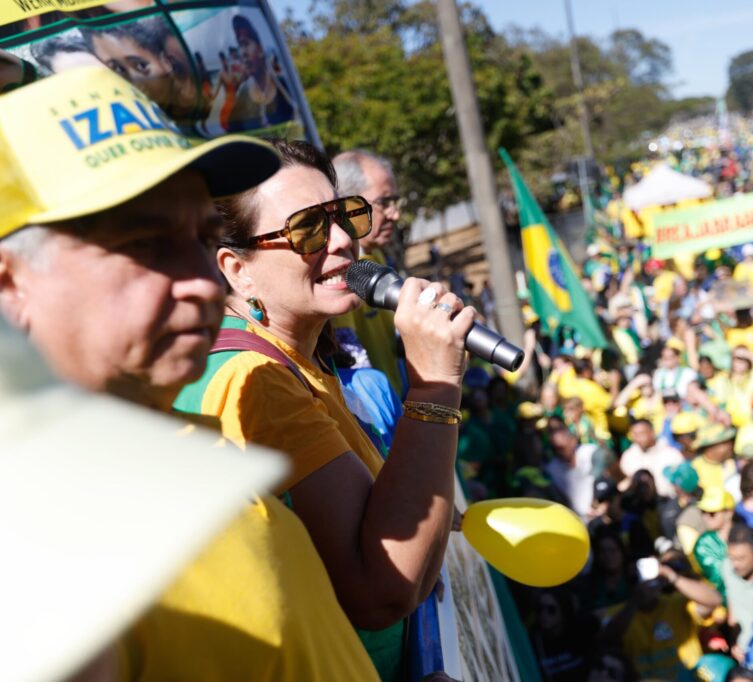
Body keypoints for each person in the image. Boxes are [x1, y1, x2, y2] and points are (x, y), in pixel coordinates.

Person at [0, 67, 378, 678]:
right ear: (9, 285)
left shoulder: (174, 441)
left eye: (202, 239)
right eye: (148, 244)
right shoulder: (34, 543)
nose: (204, 280)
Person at [173, 138, 473, 680]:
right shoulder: (254, 381)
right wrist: (435, 386)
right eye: (307, 228)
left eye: (344, 215)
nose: (341, 241)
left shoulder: (297, 359)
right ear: (237, 269)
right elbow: (382, 592)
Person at [332, 149, 405, 394]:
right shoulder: (340, 272)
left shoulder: (375, 255)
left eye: (395, 202)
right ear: (349, 204)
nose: (395, 214)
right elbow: (352, 359)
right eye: (384, 203)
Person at [599, 556, 722, 679]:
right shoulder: (618, 614)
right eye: (635, 579)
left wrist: (673, 577)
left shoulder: (677, 603)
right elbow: (607, 640)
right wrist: (635, 602)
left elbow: (714, 600)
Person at [228, 15, 295, 130]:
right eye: (240, 46)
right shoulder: (242, 95)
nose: (243, 53)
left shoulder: (284, 87)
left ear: (261, 48)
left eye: (246, 44)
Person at [547, 426, 607, 517]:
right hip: (579, 518)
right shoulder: (552, 468)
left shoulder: (589, 451)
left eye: (562, 447)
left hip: (603, 507)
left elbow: (606, 459)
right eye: (555, 449)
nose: (559, 452)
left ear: (573, 441)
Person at [618, 419, 683, 498]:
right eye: (634, 435)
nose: (638, 438)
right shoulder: (628, 457)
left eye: (641, 434)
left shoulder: (671, 454)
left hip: (669, 498)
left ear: (652, 432)